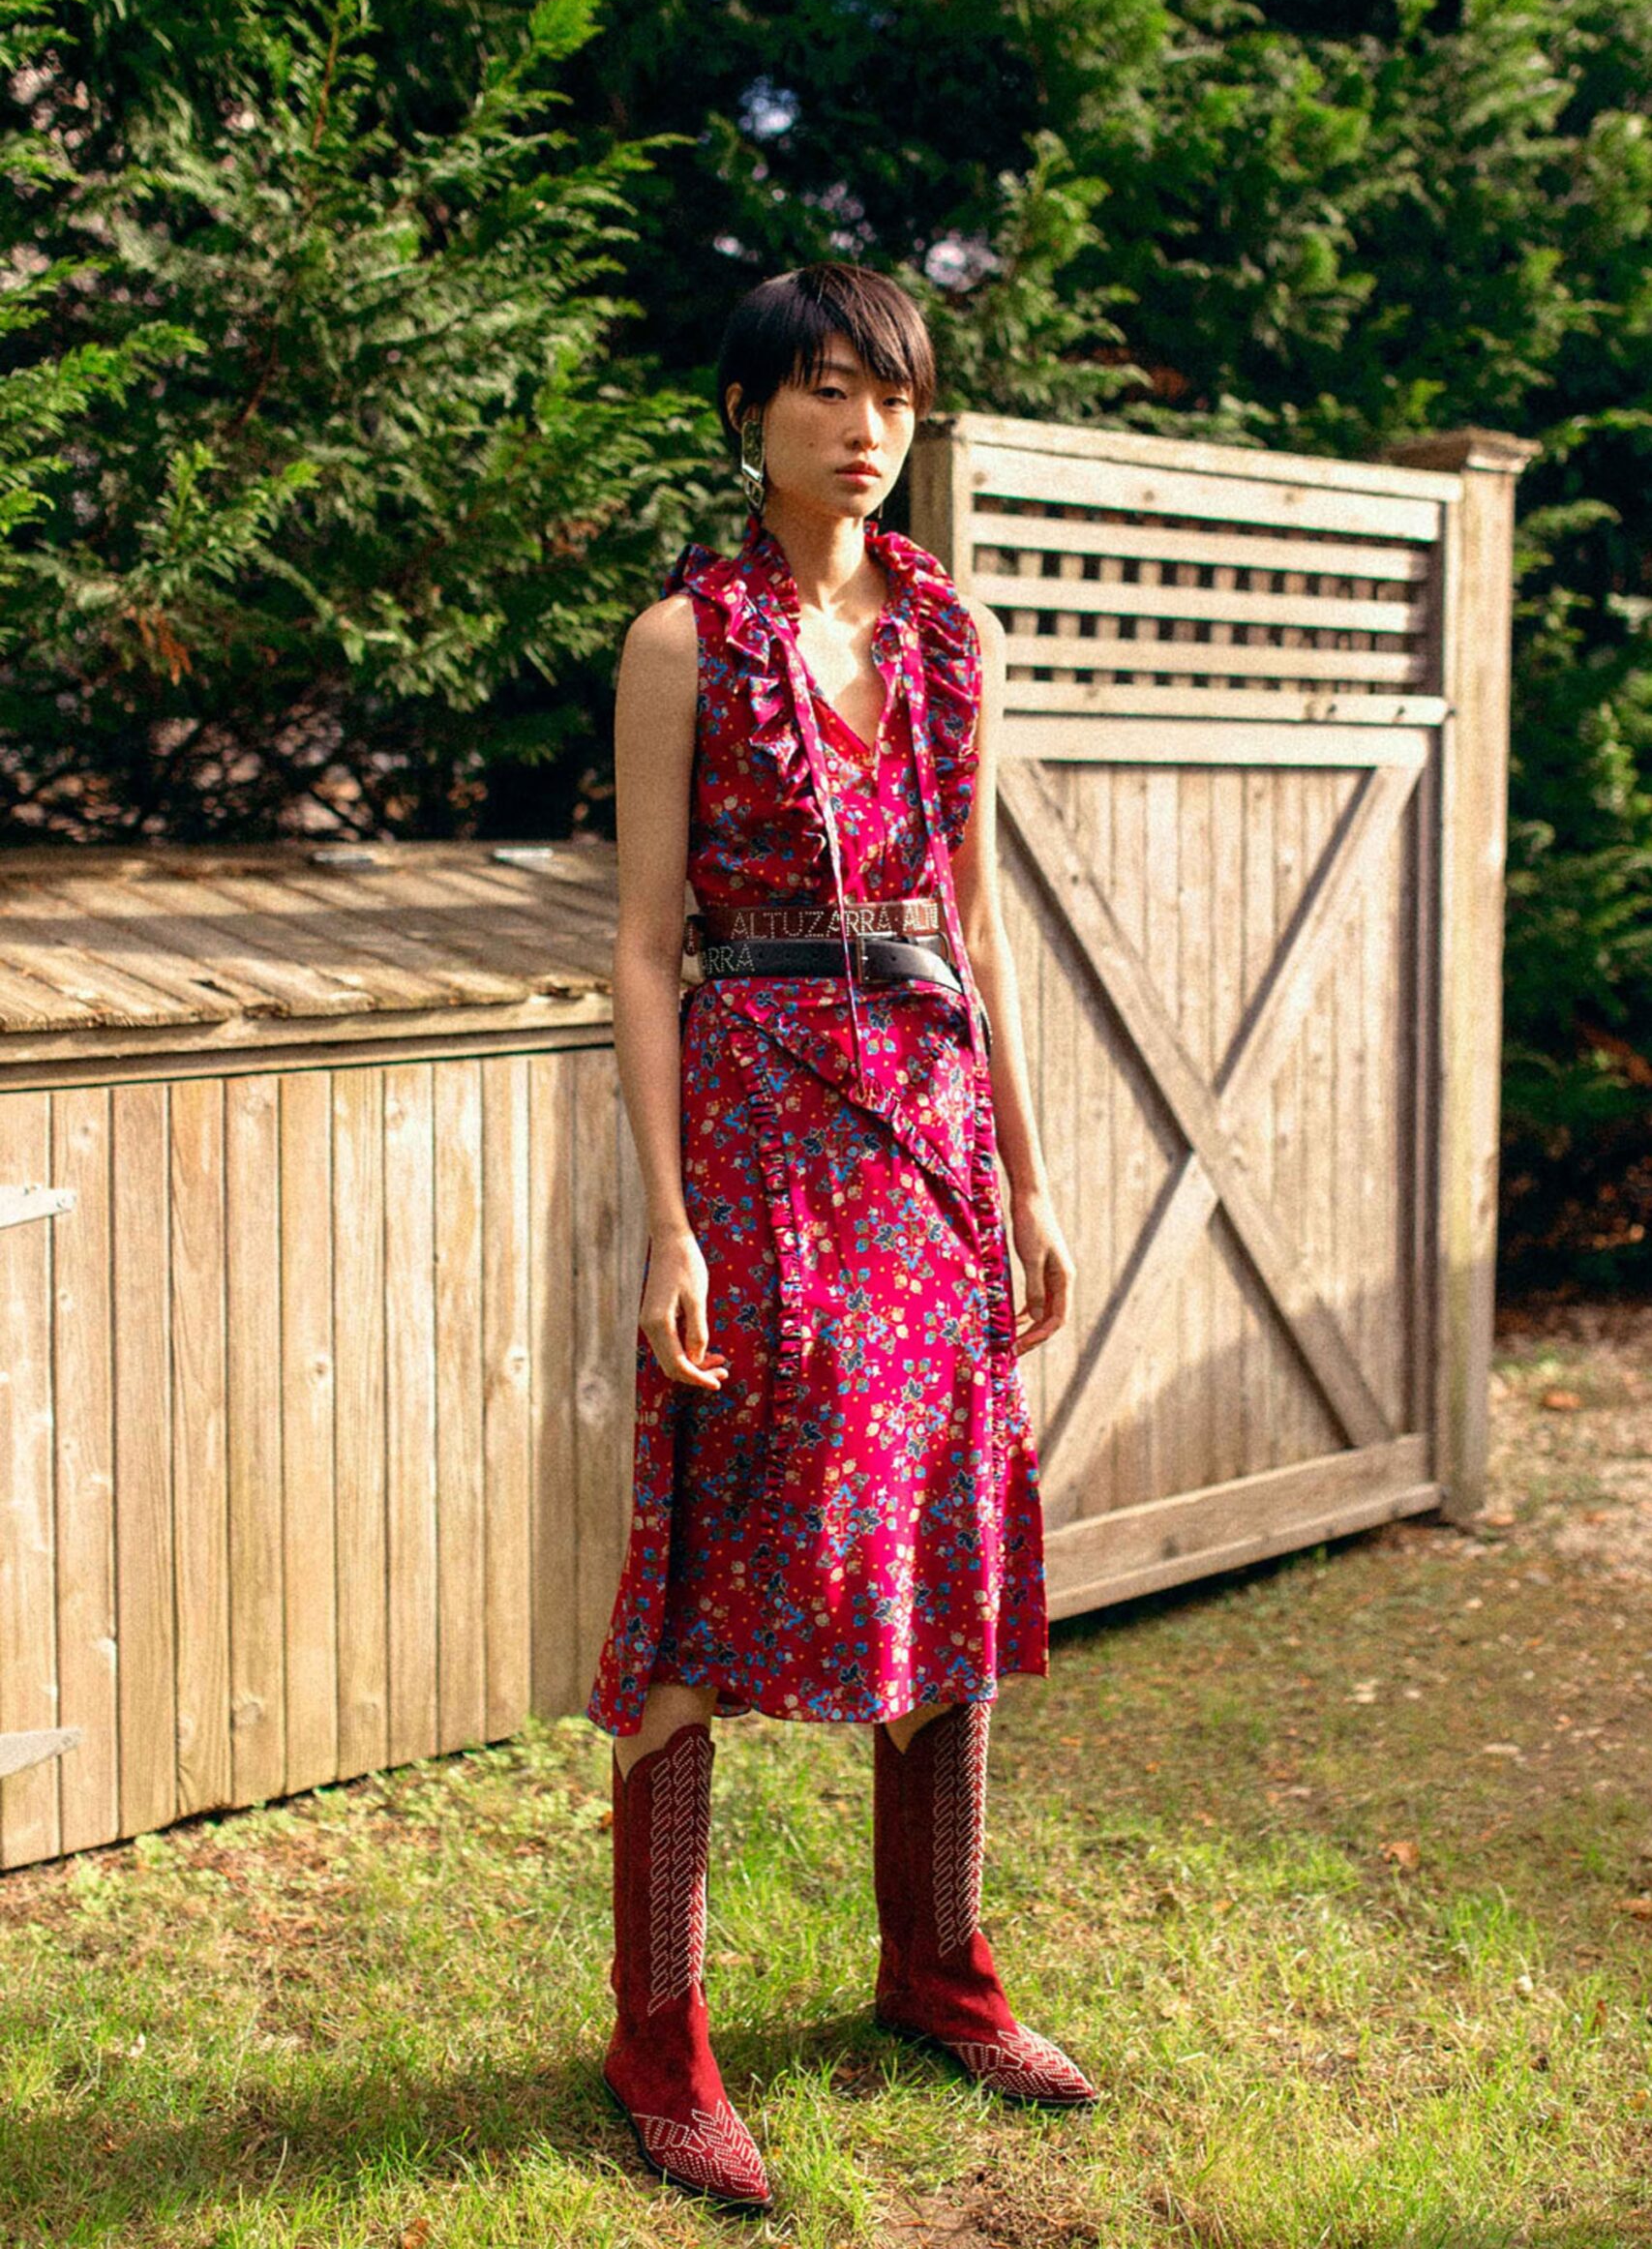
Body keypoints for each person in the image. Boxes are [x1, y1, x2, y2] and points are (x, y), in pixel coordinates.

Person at [587, 261, 1096, 2212]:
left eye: (885, 388)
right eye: (816, 387)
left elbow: (974, 932)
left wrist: (1029, 1180)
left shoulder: (956, 636)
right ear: (748, 416)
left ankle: (937, 1967)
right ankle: (659, 2036)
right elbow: (642, 945)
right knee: (716, 1558)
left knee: (948, 1551)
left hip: (934, 1132)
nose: (859, 422)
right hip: (758, 1120)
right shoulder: (679, 642)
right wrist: (664, 1217)